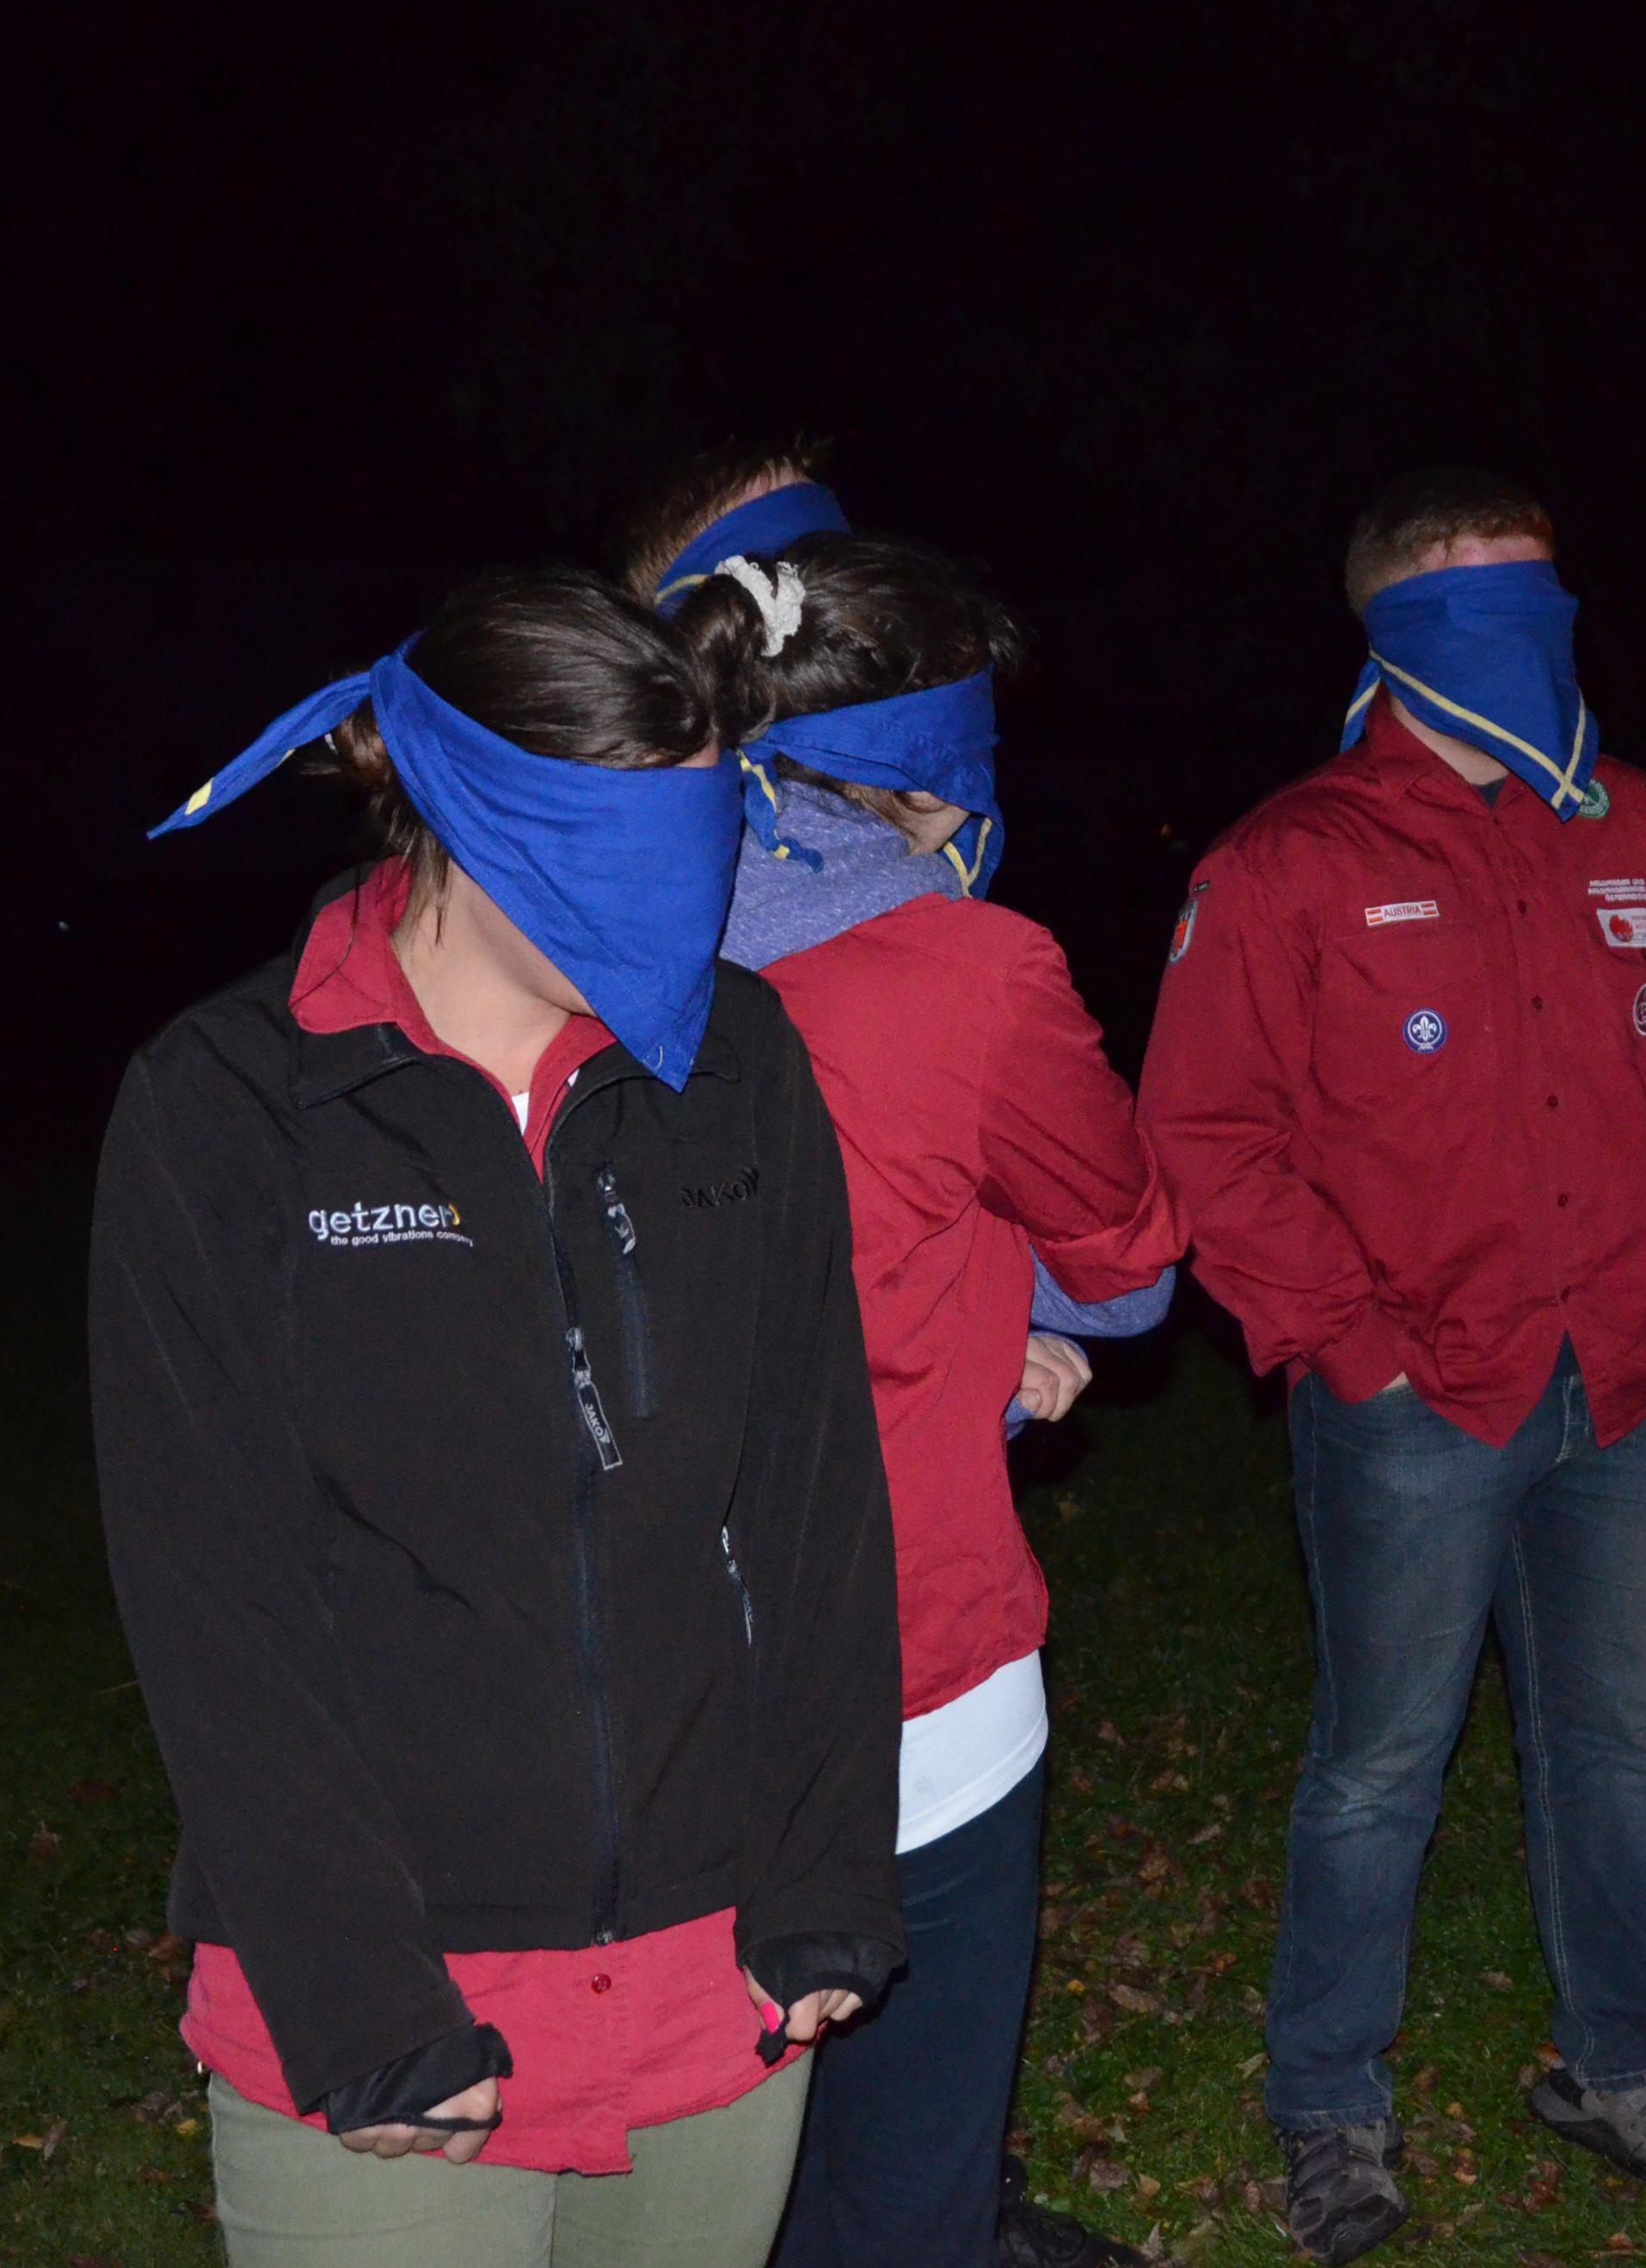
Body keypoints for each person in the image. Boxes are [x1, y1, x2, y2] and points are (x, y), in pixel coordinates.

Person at [92, 569, 906, 2267]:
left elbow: (815, 1487)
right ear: (465, 817)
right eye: (613, 854)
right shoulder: (230, 1104)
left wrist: (825, 1870)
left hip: (714, 1973)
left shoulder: (739, 1063)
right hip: (392, 1990)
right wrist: (357, 1996)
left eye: (697, 850)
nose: (673, 912)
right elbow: (211, 1585)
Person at [1139, 467, 1646, 2263]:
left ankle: (1624, 2065)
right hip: (1418, 1403)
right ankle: (1330, 2106)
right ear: (1394, 631)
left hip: (1628, 1383)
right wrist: (1351, 1349)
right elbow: (1206, 1135)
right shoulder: (1290, 861)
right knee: (1378, 1767)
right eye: (1476, 607)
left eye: (1541, 598)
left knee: (1607, 1744)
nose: (1525, 642)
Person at [626, 462, 1188, 2268]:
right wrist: (1005, 1308)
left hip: (623, 1679)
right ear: (942, 768)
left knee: (705, 2168)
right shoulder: (968, 971)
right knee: (907, 2164)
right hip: (911, 1671)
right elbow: (1128, 1269)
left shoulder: (546, 942)